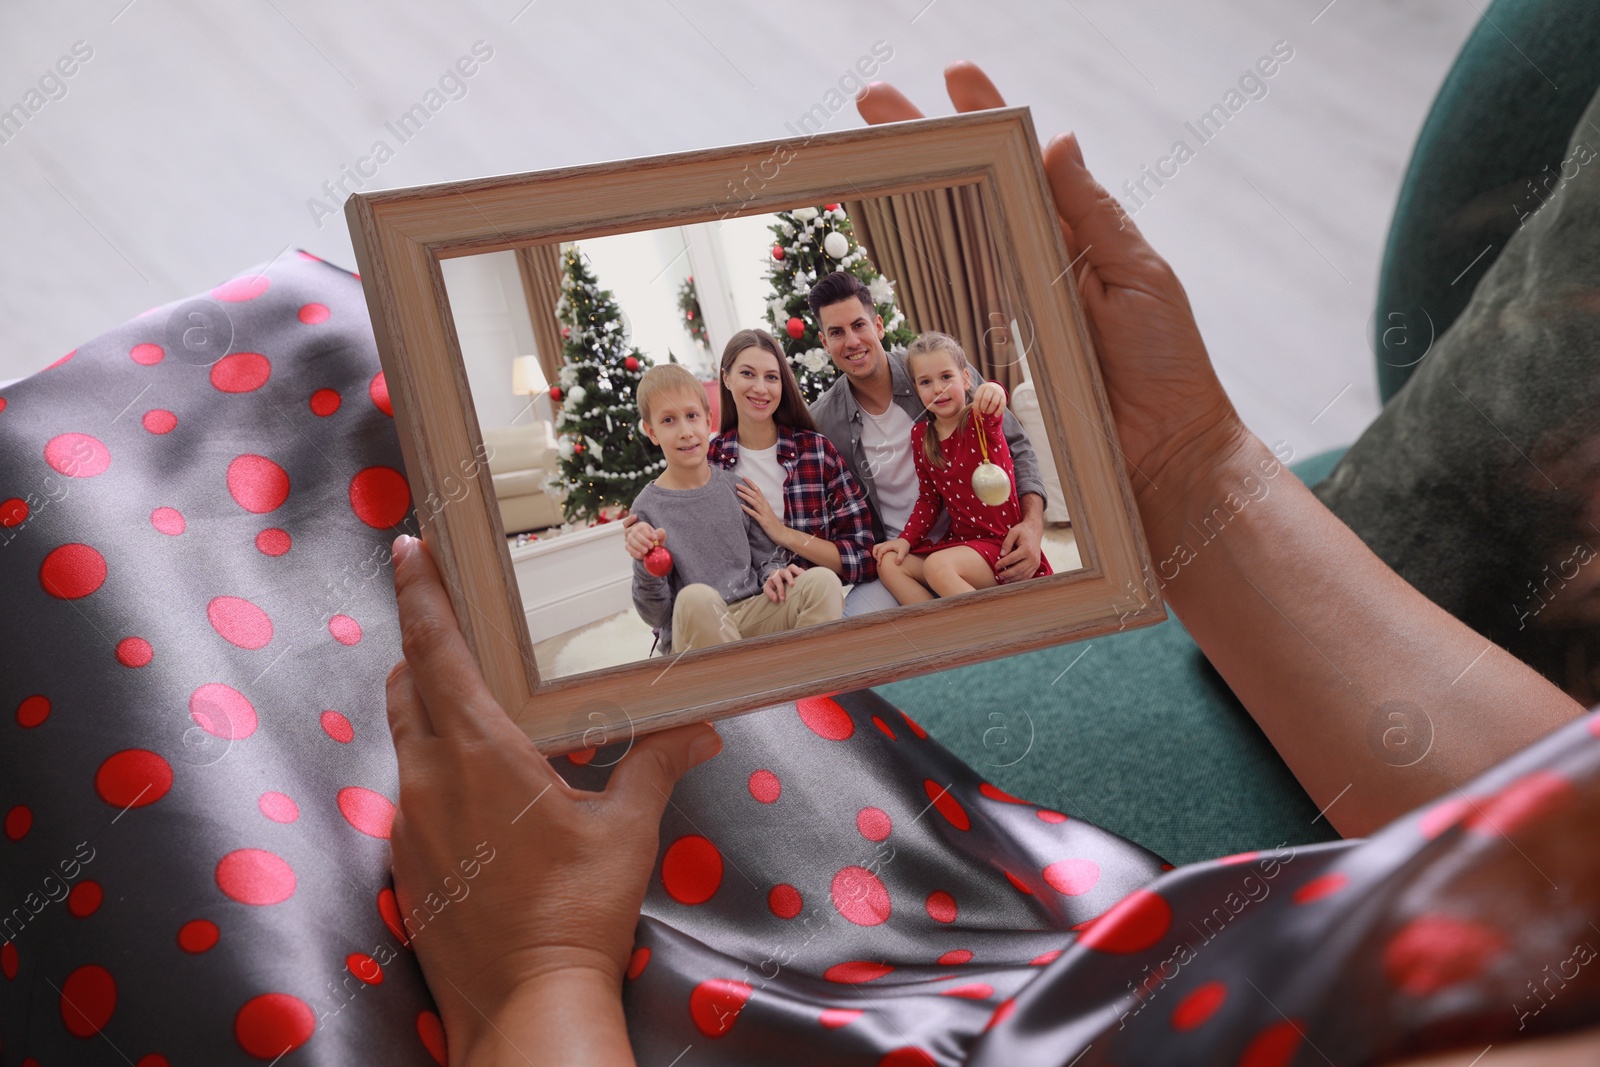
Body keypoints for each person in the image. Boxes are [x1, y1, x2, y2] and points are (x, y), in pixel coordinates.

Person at [381, 63, 1596, 1065]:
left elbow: (834, 531)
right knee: (361, 384)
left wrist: (526, 989)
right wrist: (1189, 475)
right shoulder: (722, 464)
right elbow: (1561, 861)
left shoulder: (878, 428)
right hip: (1083, 954)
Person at [806, 271, 1050, 617]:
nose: (851, 341)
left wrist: (1032, 526)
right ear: (824, 342)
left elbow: (1016, 446)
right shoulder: (824, 422)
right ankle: (952, 627)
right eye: (836, 333)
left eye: (859, 326)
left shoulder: (935, 369)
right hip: (908, 554)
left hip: (973, 539)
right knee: (851, 621)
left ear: (878, 325)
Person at [624, 363, 843, 654]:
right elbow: (656, 615)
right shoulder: (646, 508)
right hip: (697, 630)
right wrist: (644, 562)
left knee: (822, 582)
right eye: (668, 421)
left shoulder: (734, 487)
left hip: (751, 613)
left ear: (708, 421)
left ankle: (802, 686)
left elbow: (766, 558)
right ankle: (754, 693)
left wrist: (773, 574)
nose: (686, 432)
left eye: (691, 416)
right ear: (652, 433)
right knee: (696, 598)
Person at [874, 331, 1053, 604]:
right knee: (889, 562)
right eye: (926, 382)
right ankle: (943, 630)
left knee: (937, 566)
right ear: (917, 389)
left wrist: (993, 389)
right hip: (961, 543)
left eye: (947, 377)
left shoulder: (979, 419)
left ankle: (994, 629)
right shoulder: (920, 435)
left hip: (1001, 546)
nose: (938, 388)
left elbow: (994, 400)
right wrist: (906, 540)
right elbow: (929, 499)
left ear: (966, 378)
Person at [705, 328, 876, 588]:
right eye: (747, 374)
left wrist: (783, 533)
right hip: (754, 606)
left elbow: (862, 556)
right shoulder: (710, 462)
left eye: (771, 377)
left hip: (825, 595)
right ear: (726, 378)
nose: (760, 388)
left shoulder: (817, 452)